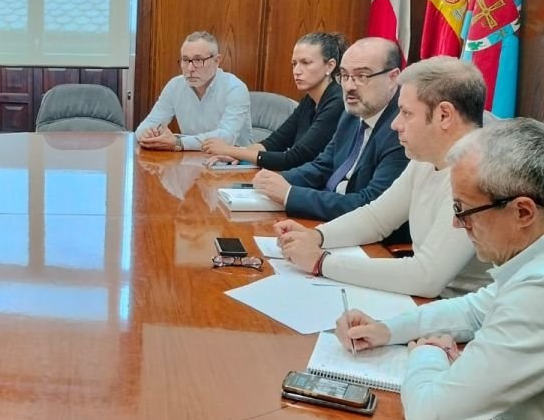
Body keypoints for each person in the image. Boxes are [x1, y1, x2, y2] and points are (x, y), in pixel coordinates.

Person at [336, 119, 544, 419]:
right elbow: (477, 309)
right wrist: (387, 330)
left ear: (522, 212)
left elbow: (430, 412)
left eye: (462, 210)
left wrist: (426, 353)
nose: (456, 223)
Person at [274, 57, 491, 297]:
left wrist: (321, 262)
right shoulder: (426, 159)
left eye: (406, 113)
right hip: (419, 301)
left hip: (454, 317)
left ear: (444, 115)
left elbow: (426, 277)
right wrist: (316, 236)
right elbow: (376, 218)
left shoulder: (476, 174)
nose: (395, 124)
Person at [252, 37, 409, 240]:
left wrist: (290, 194)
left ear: (393, 78)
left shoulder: (401, 128)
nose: (350, 86)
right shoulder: (351, 114)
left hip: (372, 240)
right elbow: (322, 166)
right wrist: (278, 181)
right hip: (331, 221)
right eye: (344, 76)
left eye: (361, 76)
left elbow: (372, 204)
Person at [203, 31, 346, 170]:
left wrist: (231, 151)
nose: (297, 71)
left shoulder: (337, 102)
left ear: (330, 66)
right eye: (294, 63)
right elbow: (274, 143)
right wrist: (237, 154)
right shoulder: (309, 100)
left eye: (306, 63)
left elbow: (294, 159)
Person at [135, 31, 251, 151]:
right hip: (191, 158)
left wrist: (179, 142)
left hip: (234, 162)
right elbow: (149, 123)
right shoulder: (175, 86)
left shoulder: (235, 88)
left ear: (217, 61)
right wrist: (147, 135)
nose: (190, 68)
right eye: (185, 60)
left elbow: (226, 137)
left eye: (198, 60)